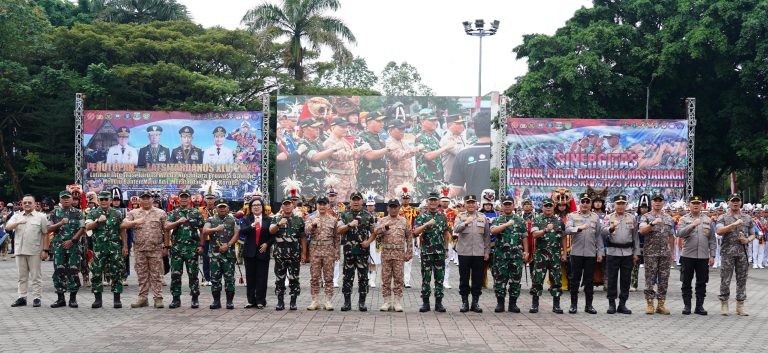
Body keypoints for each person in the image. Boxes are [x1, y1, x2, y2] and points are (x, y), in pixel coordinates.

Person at [121, 190, 168, 309]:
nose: (146, 200)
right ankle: (143, 298)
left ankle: (158, 298)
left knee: (156, 274)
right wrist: (135, 222)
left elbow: (166, 230)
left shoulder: (161, 213)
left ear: (152, 199)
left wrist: (166, 246)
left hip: (155, 249)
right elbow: (123, 225)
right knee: (142, 275)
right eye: (143, 198)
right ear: (139, 200)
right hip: (139, 249)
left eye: (148, 198)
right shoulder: (133, 213)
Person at [85, 191, 127, 308]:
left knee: (116, 272)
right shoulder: (92, 213)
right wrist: (98, 221)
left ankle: (117, 299)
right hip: (99, 248)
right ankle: (98, 299)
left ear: (110, 201)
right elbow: (87, 227)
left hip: (114, 248)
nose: (103, 201)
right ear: (98, 201)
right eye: (101, 199)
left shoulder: (117, 213)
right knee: (97, 272)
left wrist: (125, 246)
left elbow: (122, 230)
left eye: (106, 199)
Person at [564, 193, 605, 314]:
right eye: (583, 202)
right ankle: (573, 305)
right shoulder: (572, 216)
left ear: (590, 204)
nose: (585, 204)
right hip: (576, 253)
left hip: (590, 253)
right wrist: (579, 228)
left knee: (589, 281)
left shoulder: (595, 217)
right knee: (574, 280)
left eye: (587, 202)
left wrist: (600, 252)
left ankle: (589, 305)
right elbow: (567, 230)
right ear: (579, 203)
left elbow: (598, 236)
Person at [6, 195, 49, 307]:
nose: (27, 204)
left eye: (30, 202)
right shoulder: (17, 216)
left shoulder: (41, 217)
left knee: (36, 276)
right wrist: (18, 223)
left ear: (35, 204)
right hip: (20, 250)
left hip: (34, 250)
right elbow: (7, 227)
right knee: (21, 276)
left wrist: (45, 250)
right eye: (25, 202)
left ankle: (36, 298)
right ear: (22, 204)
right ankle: (22, 297)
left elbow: (45, 234)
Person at [716, 193, 755, 316]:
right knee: (725, 279)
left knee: (742, 279)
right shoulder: (723, 217)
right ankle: (724, 304)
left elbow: (753, 233)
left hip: (742, 253)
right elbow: (719, 230)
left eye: (737, 201)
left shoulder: (747, 218)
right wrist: (734, 224)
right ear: (729, 202)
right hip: (728, 253)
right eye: (733, 201)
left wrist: (747, 240)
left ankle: (740, 305)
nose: (735, 203)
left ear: (741, 202)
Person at [165, 189, 204, 309]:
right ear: (179, 198)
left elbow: (203, 230)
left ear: (189, 198)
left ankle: (195, 298)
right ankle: (176, 299)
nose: (184, 199)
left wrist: (201, 245)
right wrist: (177, 222)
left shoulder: (196, 213)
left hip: (192, 250)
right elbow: (166, 227)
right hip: (177, 249)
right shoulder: (174, 213)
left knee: (193, 275)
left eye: (186, 197)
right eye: (182, 197)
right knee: (175, 275)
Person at [371, 198, 412, 312]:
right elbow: (375, 232)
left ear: (399, 208)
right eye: (391, 207)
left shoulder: (404, 221)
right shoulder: (382, 220)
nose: (393, 209)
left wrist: (409, 251)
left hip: (399, 253)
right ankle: (387, 301)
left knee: (399, 278)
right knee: (386, 278)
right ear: (387, 208)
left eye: (395, 207)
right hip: (386, 253)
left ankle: (397, 301)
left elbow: (409, 237)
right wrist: (385, 227)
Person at [413, 192, 451, 312]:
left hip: (439, 251)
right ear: (427, 202)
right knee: (426, 277)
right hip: (427, 252)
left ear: (438, 202)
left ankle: (439, 303)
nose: (433, 202)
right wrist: (426, 224)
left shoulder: (442, 216)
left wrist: (446, 249)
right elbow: (415, 232)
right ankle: (425, 303)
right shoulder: (422, 216)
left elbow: (445, 233)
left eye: (435, 200)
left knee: (440, 277)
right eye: (431, 200)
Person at [677, 195, 715, 315]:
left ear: (701, 206)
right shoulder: (683, 219)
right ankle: (687, 306)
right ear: (689, 205)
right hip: (688, 255)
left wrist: (712, 255)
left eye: (698, 203)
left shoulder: (708, 220)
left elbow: (712, 239)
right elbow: (680, 233)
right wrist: (693, 225)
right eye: (693, 203)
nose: (696, 205)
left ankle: (699, 306)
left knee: (702, 282)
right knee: (686, 282)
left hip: (703, 256)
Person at [47, 190, 86, 308]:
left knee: (73, 271)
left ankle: (73, 299)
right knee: (59, 271)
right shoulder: (54, 213)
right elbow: (48, 228)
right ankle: (60, 299)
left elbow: (82, 228)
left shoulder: (78, 213)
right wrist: (59, 224)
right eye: (63, 198)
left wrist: (73, 240)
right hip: (59, 247)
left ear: (71, 199)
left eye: (68, 197)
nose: (66, 199)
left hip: (73, 246)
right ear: (60, 200)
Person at [490, 196, 528, 313]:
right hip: (501, 255)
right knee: (500, 280)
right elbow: (493, 231)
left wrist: (526, 251)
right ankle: (500, 303)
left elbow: (524, 236)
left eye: (509, 204)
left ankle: (513, 304)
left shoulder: (520, 220)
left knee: (515, 280)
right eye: (505, 204)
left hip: (516, 256)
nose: (507, 206)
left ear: (513, 205)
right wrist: (506, 224)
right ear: (502, 206)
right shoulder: (497, 220)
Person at [337, 191, 375, 311]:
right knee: (347, 278)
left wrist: (368, 242)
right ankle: (347, 303)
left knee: (363, 278)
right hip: (348, 253)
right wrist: (349, 225)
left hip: (362, 253)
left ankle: (362, 303)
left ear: (362, 201)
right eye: (354, 199)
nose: (356, 201)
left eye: (358, 199)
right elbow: (339, 230)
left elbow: (374, 231)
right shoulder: (344, 215)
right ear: (350, 201)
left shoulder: (368, 215)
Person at [638, 192, 675, 315]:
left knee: (664, 279)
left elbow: (671, 236)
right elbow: (642, 230)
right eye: (655, 200)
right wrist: (652, 223)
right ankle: (649, 304)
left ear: (663, 202)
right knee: (650, 278)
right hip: (651, 253)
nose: (658, 202)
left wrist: (672, 253)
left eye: (660, 200)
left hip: (665, 253)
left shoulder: (669, 218)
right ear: (652, 202)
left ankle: (661, 304)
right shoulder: (646, 216)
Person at [453, 194, 490, 313]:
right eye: (468, 202)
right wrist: (465, 223)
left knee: (477, 279)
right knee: (464, 278)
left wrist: (487, 251)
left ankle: (475, 302)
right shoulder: (460, 216)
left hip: (479, 253)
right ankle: (465, 302)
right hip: (464, 252)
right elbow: (456, 229)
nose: (470, 205)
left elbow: (487, 236)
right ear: (465, 204)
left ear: (476, 204)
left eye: (473, 202)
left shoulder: (482, 217)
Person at [529, 198, 567, 314]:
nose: (548, 208)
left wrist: (564, 252)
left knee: (556, 280)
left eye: (550, 206)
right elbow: (534, 234)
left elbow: (563, 237)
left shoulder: (559, 221)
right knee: (537, 279)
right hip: (541, 255)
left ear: (553, 207)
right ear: (542, 207)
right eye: (546, 206)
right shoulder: (537, 220)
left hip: (555, 255)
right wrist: (545, 230)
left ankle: (556, 305)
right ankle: (535, 305)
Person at [603, 195, 640, 314]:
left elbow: (635, 237)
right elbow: (602, 232)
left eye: (622, 203)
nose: (620, 206)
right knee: (612, 278)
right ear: (614, 205)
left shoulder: (631, 218)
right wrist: (611, 228)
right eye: (618, 203)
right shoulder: (608, 217)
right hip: (613, 251)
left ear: (626, 205)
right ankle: (611, 304)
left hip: (627, 253)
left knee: (626, 279)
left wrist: (636, 252)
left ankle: (622, 304)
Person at [269, 198, 306, 311]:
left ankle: (293, 302)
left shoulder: (299, 219)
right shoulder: (276, 218)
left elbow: (303, 237)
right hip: (280, 255)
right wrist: (279, 224)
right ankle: (280, 302)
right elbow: (271, 231)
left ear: (293, 205)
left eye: (289, 204)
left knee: (294, 278)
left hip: (294, 255)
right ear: (282, 206)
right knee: (280, 278)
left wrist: (304, 253)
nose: (287, 206)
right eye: (285, 204)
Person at [202, 199, 239, 309]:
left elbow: (237, 234)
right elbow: (204, 231)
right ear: (216, 208)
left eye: (224, 207)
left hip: (229, 254)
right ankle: (216, 301)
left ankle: (229, 301)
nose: (222, 209)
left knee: (229, 279)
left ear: (228, 208)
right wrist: (215, 229)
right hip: (215, 255)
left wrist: (227, 245)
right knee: (215, 278)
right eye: (220, 207)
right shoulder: (211, 219)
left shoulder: (233, 220)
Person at [305, 196, 339, 310]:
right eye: (320, 204)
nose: (322, 206)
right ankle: (315, 300)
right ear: (316, 206)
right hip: (315, 250)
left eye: (324, 204)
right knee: (314, 277)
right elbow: (306, 231)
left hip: (329, 250)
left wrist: (337, 252)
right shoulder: (311, 218)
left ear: (328, 205)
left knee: (328, 277)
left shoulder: (333, 219)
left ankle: (328, 300)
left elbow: (336, 237)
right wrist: (313, 224)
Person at [449, 112, 491, 198]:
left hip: (473, 206)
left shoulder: (463, 154)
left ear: (474, 129)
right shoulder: (505, 153)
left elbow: (455, 190)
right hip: (503, 208)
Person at [241, 198, 272, 309]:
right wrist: (252, 225)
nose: (256, 207)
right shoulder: (246, 219)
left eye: (258, 205)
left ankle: (260, 301)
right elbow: (243, 232)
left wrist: (267, 244)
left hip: (262, 252)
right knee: (250, 277)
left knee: (262, 277)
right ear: (250, 208)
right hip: (249, 252)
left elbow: (272, 235)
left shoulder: (268, 219)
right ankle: (251, 300)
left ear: (262, 207)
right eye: (254, 205)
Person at [415, 116, 453, 199]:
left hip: (437, 179)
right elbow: (428, 156)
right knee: (425, 207)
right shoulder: (421, 137)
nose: (434, 122)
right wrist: (446, 147)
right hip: (426, 181)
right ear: (422, 122)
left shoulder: (434, 137)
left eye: (435, 120)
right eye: (431, 120)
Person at [385, 120, 423, 200]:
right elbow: (399, 155)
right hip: (397, 180)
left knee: (409, 205)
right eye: (399, 129)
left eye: (403, 129)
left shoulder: (403, 142)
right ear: (391, 130)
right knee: (396, 203)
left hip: (408, 179)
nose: (402, 132)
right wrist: (417, 149)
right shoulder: (389, 142)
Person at [295, 118, 333, 198]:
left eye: (318, 127)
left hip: (321, 184)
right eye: (314, 128)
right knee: (309, 208)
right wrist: (334, 149)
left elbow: (323, 161)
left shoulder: (317, 142)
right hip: (309, 186)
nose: (318, 130)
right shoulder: (303, 143)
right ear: (305, 129)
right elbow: (315, 157)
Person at [355, 112, 389, 195]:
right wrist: (387, 149)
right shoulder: (361, 137)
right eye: (379, 121)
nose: (382, 124)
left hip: (380, 182)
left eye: (382, 121)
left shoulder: (379, 138)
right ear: (369, 122)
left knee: (380, 207)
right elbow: (370, 155)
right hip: (367, 183)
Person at [441, 115, 467, 183]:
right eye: (458, 124)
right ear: (450, 125)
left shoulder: (459, 136)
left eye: (462, 123)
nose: (462, 126)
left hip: (461, 176)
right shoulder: (447, 139)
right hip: (451, 179)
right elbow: (461, 153)